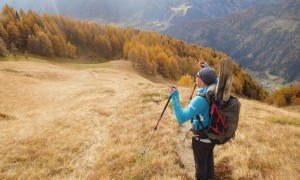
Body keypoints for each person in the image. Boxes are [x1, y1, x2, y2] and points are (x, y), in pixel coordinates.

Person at [168, 67, 218, 180]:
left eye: (198, 75)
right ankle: (210, 176)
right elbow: (215, 78)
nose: (196, 76)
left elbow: (181, 118)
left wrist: (175, 96)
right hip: (213, 134)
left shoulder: (200, 100)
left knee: (200, 163)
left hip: (201, 138)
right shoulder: (215, 90)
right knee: (209, 156)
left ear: (203, 81)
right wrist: (208, 67)